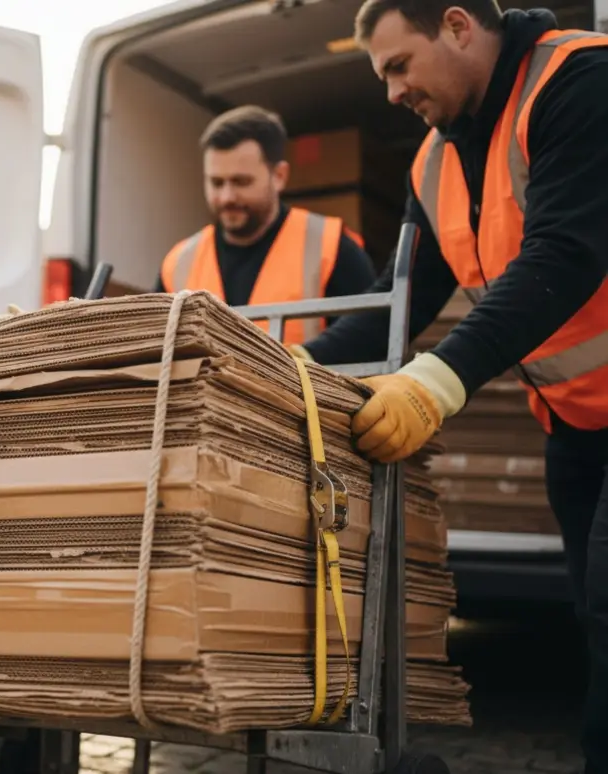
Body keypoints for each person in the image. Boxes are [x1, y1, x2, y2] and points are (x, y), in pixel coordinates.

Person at [296, 0, 608, 769]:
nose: (392, 92)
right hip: (575, 428)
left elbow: (565, 254)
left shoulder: (580, 80)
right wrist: (286, 368)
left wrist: (431, 385)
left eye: (399, 65)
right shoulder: (435, 162)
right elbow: (396, 304)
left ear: (459, 26)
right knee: (595, 619)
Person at [155, 105, 377, 346]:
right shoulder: (178, 264)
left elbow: (370, 340)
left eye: (241, 182)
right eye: (216, 183)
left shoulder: (330, 248)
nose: (227, 197)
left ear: (279, 176)